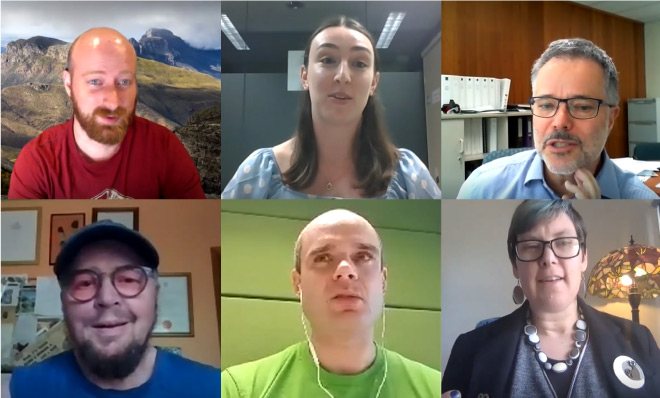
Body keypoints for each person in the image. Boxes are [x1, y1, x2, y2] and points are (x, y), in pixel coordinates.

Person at [442, 200, 660, 397]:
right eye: (531, 246)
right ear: (515, 265)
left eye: (564, 243)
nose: (548, 259)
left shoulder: (641, 342)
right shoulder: (469, 349)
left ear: (584, 257)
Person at [221, 209, 441, 397]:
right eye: (323, 258)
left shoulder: (437, 388)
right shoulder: (237, 389)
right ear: (298, 283)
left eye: (363, 256)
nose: (346, 271)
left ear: (383, 281)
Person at [221, 16, 440, 199]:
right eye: (327, 60)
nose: (342, 76)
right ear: (304, 76)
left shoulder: (408, 175)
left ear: (374, 82)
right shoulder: (260, 173)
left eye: (359, 63)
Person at [3, 221, 220, 397]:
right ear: (63, 302)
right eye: (85, 283)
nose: (107, 298)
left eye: (127, 279)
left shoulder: (217, 389)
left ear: (155, 294)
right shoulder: (19, 390)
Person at [8, 27, 206, 199]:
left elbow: (196, 232)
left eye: (124, 82)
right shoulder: (36, 162)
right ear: (68, 84)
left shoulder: (165, 148)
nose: (113, 101)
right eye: (95, 82)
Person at [457, 38, 656, 199]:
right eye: (545, 105)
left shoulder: (646, 208)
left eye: (582, 107)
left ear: (611, 119)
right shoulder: (480, 189)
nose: (560, 121)